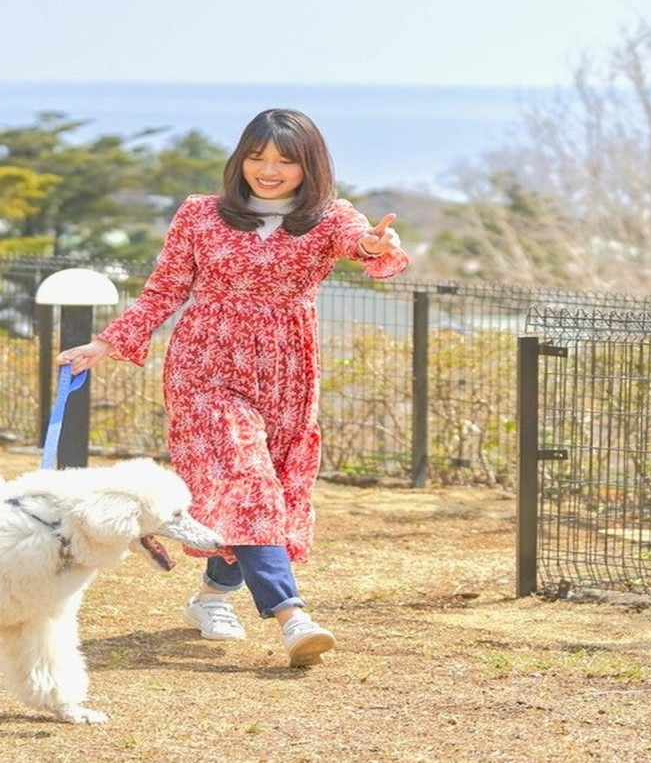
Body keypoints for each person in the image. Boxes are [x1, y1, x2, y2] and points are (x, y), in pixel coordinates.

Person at [56, 108, 409, 667]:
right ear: (239, 159)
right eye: (257, 157)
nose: (268, 170)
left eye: (284, 161)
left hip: (288, 370)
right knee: (246, 479)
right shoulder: (200, 214)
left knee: (261, 486)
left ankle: (213, 595)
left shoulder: (331, 217)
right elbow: (162, 291)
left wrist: (374, 245)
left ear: (308, 166)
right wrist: (106, 343)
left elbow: (369, 252)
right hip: (206, 366)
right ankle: (293, 616)